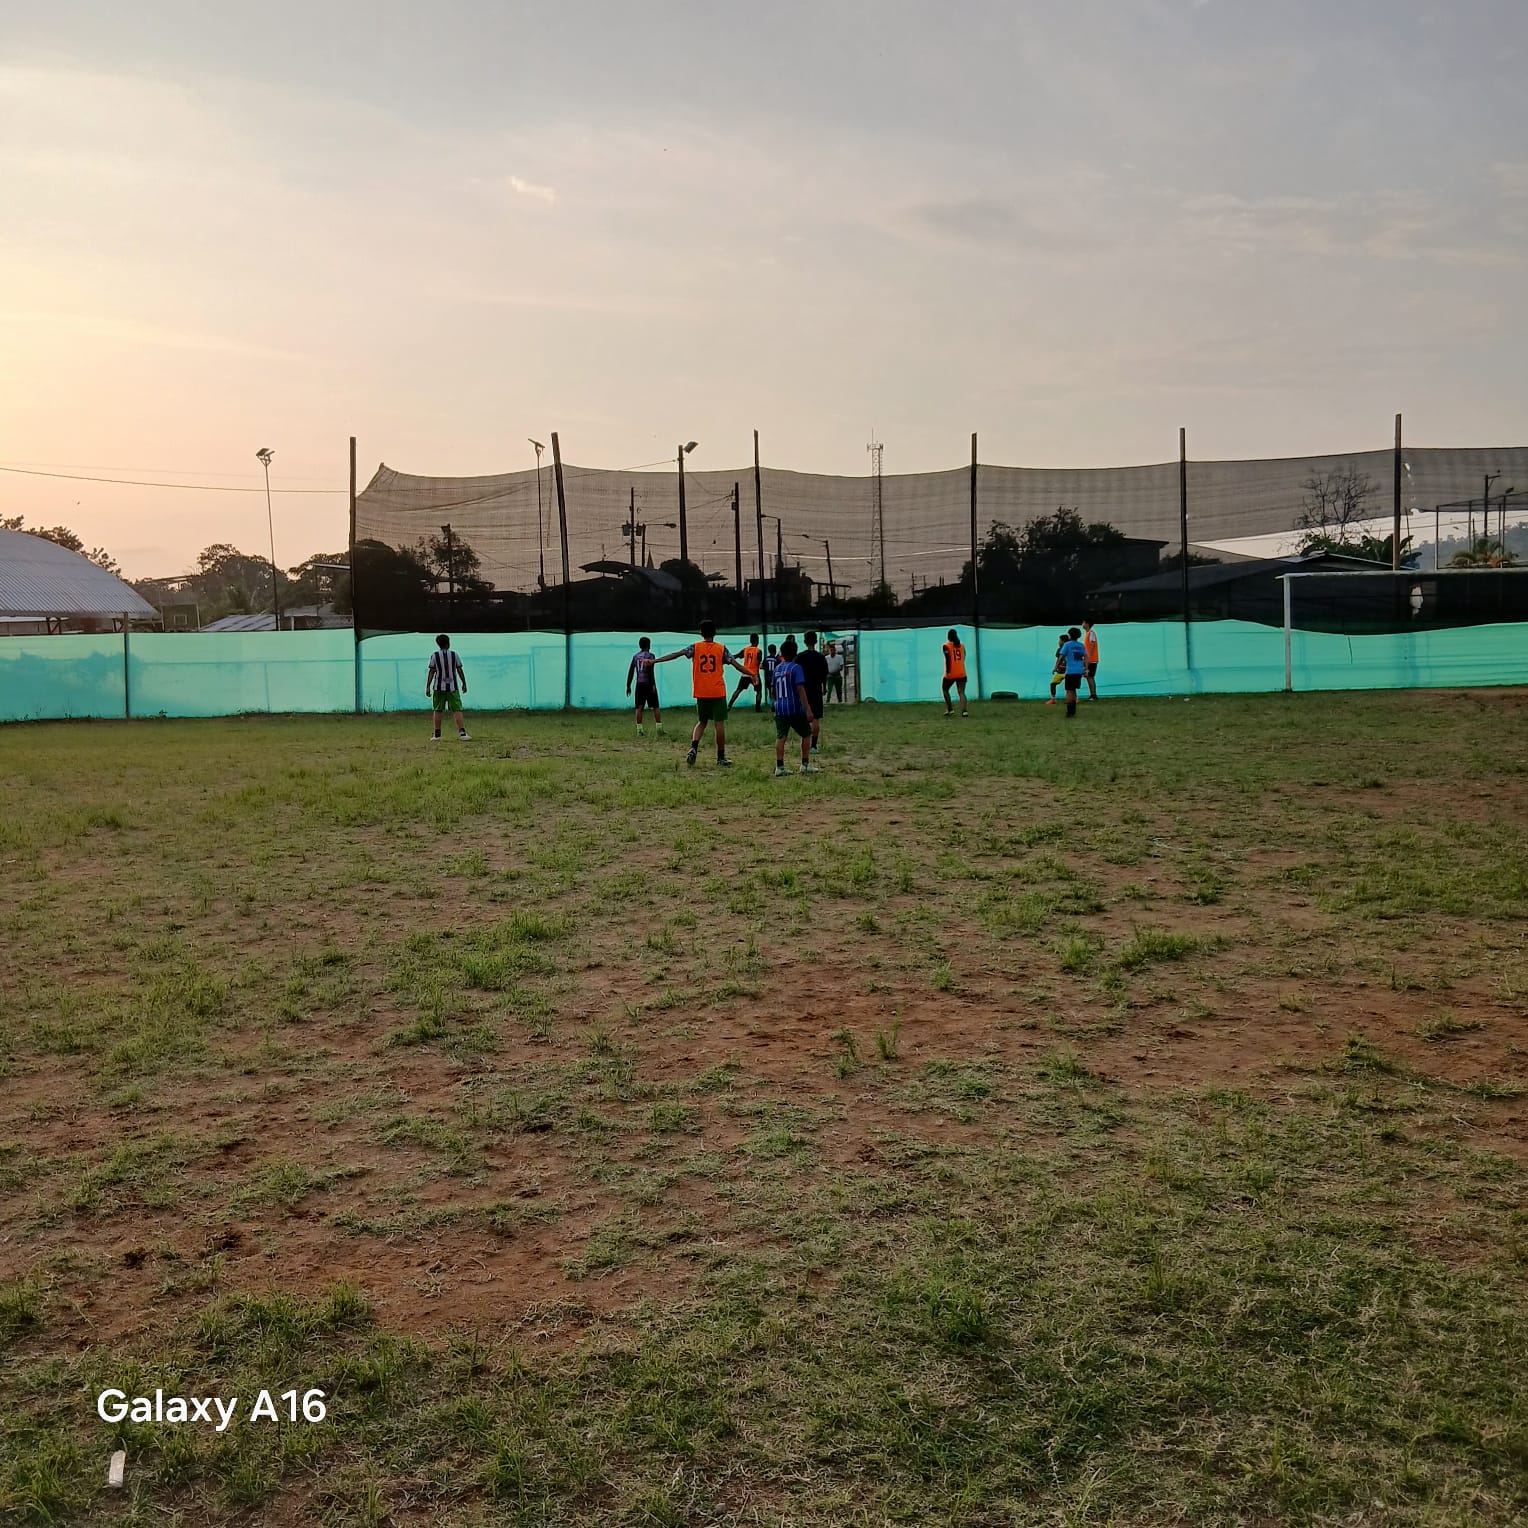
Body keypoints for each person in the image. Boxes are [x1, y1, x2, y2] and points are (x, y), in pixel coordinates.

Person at [654, 619, 749, 768]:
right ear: (715, 632)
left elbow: (676, 654)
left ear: (701, 633)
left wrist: (655, 661)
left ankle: (694, 747)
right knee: (719, 724)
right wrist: (752, 674)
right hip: (717, 691)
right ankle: (721, 757)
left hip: (701, 691)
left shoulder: (695, 647)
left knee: (702, 722)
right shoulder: (721, 649)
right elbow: (737, 665)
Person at [771, 636, 818, 776]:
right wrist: (808, 709)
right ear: (795, 654)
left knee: (781, 737)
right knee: (806, 733)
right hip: (795, 708)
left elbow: (773, 691)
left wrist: (777, 702)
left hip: (780, 708)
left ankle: (779, 767)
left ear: (782, 654)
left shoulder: (777, 669)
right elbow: (800, 689)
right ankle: (805, 764)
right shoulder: (796, 668)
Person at [426, 634, 469, 741]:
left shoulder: (434, 655)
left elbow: (431, 671)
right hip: (452, 687)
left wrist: (428, 686)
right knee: (457, 709)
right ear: (448, 643)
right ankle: (462, 733)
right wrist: (464, 683)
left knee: (437, 709)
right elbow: (459, 670)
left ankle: (437, 735)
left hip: (438, 687)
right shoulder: (454, 655)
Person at [797, 630, 830, 753]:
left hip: (804, 690)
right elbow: (825, 675)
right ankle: (814, 746)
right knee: (816, 718)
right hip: (816, 689)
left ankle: (805, 742)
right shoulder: (821, 657)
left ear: (805, 641)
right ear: (816, 641)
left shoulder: (800, 657)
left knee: (805, 717)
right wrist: (824, 687)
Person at [626, 636, 663, 735]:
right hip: (648, 683)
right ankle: (659, 729)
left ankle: (639, 730)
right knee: (655, 706)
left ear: (640, 645)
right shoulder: (651, 656)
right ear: (649, 645)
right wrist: (653, 685)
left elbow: (631, 671)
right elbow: (650, 671)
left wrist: (628, 685)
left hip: (639, 684)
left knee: (639, 707)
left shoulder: (635, 656)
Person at [1058, 627, 1088, 718]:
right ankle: (1073, 710)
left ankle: (1069, 711)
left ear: (1069, 635)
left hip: (1070, 671)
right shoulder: (1081, 645)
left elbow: (1061, 656)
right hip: (1079, 671)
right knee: (1074, 690)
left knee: (1069, 691)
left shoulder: (1067, 644)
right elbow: (1086, 657)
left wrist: (1057, 666)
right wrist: (1086, 668)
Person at [729, 633, 764, 711]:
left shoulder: (746, 649)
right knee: (758, 691)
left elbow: (737, 656)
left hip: (745, 673)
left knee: (738, 690)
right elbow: (758, 662)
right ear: (757, 641)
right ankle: (758, 708)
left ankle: (729, 705)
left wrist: (729, 659)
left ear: (750, 640)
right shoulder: (758, 651)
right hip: (754, 674)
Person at [941, 628, 969, 717]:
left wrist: (948, 671)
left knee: (945, 689)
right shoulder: (961, 645)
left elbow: (948, 659)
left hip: (951, 673)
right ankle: (964, 711)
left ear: (948, 636)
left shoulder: (946, 646)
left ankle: (950, 709)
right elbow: (964, 656)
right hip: (961, 672)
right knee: (961, 692)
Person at [1046, 632, 1069, 705]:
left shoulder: (1069, 649)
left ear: (1063, 641)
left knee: (1070, 686)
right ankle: (1053, 699)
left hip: (1068, 671)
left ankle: (1074, 698)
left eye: (1060, 640)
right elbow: (1058, 660)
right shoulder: (1059, 650)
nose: (1058, 642)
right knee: (1052, 684)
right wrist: (1055, 668)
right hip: (1060, 671)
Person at [1082, 619, 1100, 700]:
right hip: (1089, 659)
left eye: (1083, 622)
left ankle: (1093, 695)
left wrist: (1088, 657)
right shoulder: (1087, 633)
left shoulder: (1091, 633)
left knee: (1090, 677)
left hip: (1092, 660)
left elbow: (1092, 644)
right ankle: (1092, 694)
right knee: (1088, 677)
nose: (1082, 624)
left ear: (1087, 624)